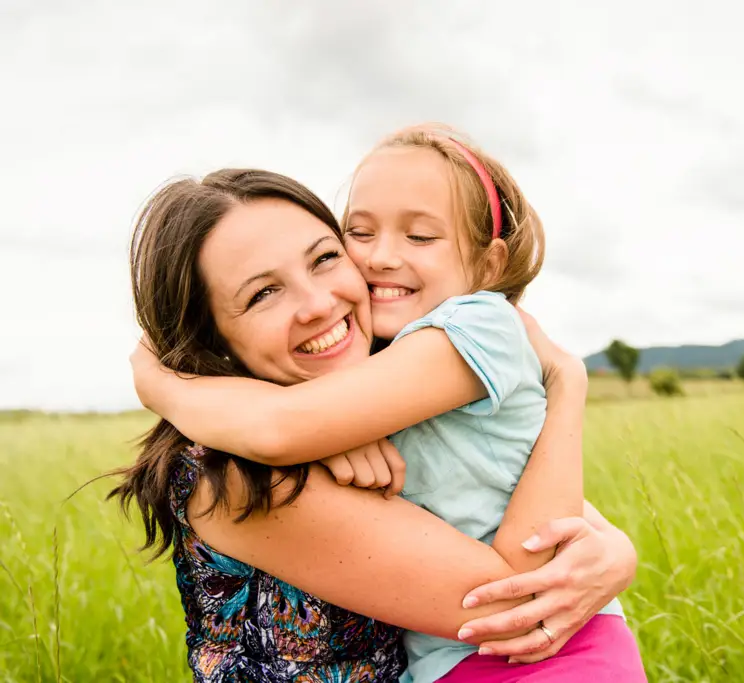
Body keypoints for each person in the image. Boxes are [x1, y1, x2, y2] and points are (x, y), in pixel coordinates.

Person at [120, 165, 641, 682]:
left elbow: (508, 490)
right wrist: (567, 386)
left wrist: (615, 551)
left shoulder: (380, 398)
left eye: (325, 259)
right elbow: (517, 601)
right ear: (210, 340)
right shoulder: (238, 474)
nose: (319, 304)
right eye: (263, 294)